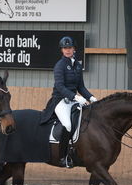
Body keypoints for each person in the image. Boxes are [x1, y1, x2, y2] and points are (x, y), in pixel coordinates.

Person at [40, 36, 97, 168]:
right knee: (68, 125)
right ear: (62, 50)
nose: (67, 50)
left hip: (73, 100)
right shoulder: (59, 66)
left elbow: (81, 87)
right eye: (65, 48)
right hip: (60, 100)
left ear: (74, 49)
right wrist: (75, 97)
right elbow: (60, 86)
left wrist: (91, 98)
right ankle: (62, 157)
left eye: (69, 47)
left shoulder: (77, 65)